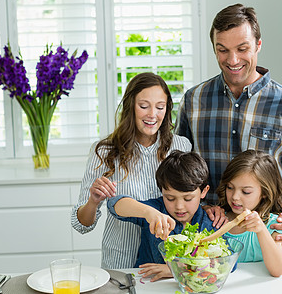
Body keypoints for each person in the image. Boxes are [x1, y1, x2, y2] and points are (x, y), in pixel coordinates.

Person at [175, 3, 282, 248]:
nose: (232, 60)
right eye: (222, 50)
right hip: (204, 234)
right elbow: (179, 167)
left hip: (265, 236)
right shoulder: (193, 101)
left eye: (242, 49)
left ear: (258, 45)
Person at [71, 72, 192, 269]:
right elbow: (82, 225)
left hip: (168, 262)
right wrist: (93, 201)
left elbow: (190, 203)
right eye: (144, 106)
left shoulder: (181, 147)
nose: (152, 114)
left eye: (160, 107)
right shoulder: (104, 151)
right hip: (121, 261)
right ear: (130, 107)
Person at [107, 150, 214, 281]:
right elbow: (114, 204)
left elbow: (229, 263)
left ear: (204, 191)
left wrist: (177, 269)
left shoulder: (210, 221)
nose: (179, 206)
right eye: (170, 198)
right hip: (148, 285)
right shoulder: (156, 209)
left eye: (187, 199)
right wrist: (148, 212)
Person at [216, 150, 282, 277]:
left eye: (246, 192)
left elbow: (277, 270)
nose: (235, 197)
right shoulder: (217, 220)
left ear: (264, 193)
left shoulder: (274, 225)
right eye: (230, 188)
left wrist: (261, 230)